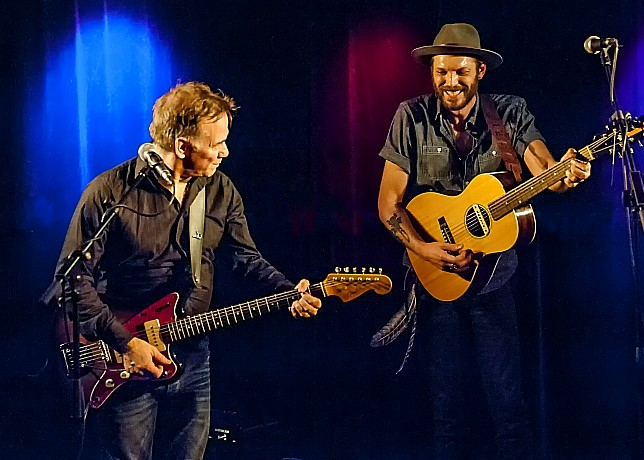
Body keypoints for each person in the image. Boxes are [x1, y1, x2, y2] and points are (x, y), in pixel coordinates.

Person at [48, 81, 322, 460]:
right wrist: (128, 343)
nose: (226, 151)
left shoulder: (221, 191)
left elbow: (246, 258)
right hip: (125, 357)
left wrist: (290, 290)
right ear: (182, 146)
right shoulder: (110, 192)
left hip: (193, 356)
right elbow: (72, 283)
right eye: (216, 143)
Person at [376, 23, 591, 459]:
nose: (449, 82)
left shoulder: (508, 112)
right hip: (435, 278)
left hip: (494, 281)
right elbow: (388, 204)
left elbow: (542, 166)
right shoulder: (410, 115)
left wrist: (564, 173)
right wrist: (424, 248)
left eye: (460, 72)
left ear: (480, 71)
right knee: (446, 408)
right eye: (440, 72)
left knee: (507, 401)